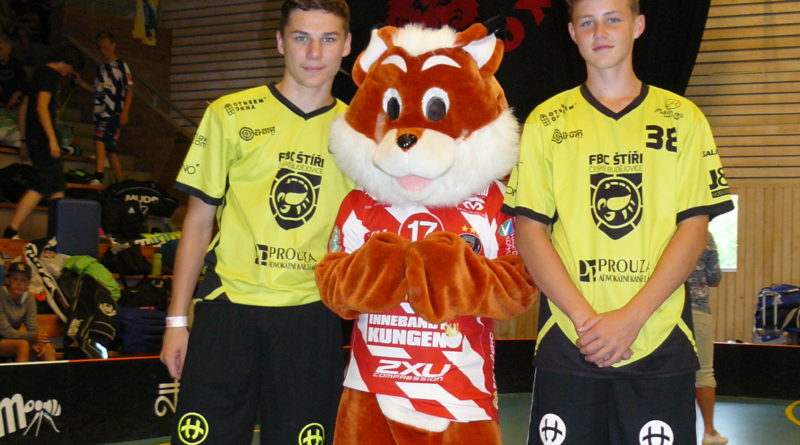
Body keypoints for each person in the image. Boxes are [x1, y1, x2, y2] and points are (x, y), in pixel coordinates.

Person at [502, 0, 735, 444]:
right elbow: (530, 230)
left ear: (638, 25)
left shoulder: (683, 118)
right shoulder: (546, 121)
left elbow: (694, 226)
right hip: (570, 338)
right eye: (587, 22)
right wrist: (585, 320)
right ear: (572, 33)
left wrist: (632, 316)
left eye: (613, 19)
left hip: (658, 336)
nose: (600, 32)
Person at [159, 1, 352, 444]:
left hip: (311, 316)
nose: (315, 53)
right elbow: (198, 222)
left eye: (328, 39)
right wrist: (176, 321)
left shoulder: (359, 132)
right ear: (280, 41)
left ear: (346, 46)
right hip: (228, 310)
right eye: (302, 38)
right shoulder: (229, 114)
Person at [2, 43, 85, 240]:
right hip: (44, 139)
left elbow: (24, 109)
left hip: (34, 138)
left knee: (57, 187)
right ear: (67, 64)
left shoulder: (38, 74)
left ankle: (56, 234)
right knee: (40, 186)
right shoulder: (50, 76)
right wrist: (52, 140)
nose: (68, 74)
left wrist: (24, 140)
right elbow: (41, 107)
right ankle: (11, 231)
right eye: (70, 69)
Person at [73, 31, 133, 185]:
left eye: (105, 47)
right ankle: (121, 181)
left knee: (99, 140)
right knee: (110, 148)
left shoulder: (121, 66)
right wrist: (81, 83)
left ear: (113, 46)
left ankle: (98, 176)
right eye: (100, 48)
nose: (103, 51)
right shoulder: (101, 68)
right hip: (100, 111)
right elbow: (97, 90)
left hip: (112, 111)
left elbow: (129, 90)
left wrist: (125, 111)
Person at [688, 233, 728, 445]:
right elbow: (714, 278)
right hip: (698, 309)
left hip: (660, 311)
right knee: (703, 372)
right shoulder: (704, 235)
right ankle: (709, 432)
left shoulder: (658, 230)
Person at [0, 261, 55, 361]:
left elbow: (32, 327)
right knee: (22, 345)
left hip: (13, 339)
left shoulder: (29, 298)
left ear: (28, 283)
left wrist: (38, 341)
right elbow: (5, 331)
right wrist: (33, 337)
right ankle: (20, 372)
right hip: (3, 337)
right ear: (7, 280)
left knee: (46, 346)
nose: (19, 284)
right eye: (15, 279)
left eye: (24, 280)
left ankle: (56, 371)